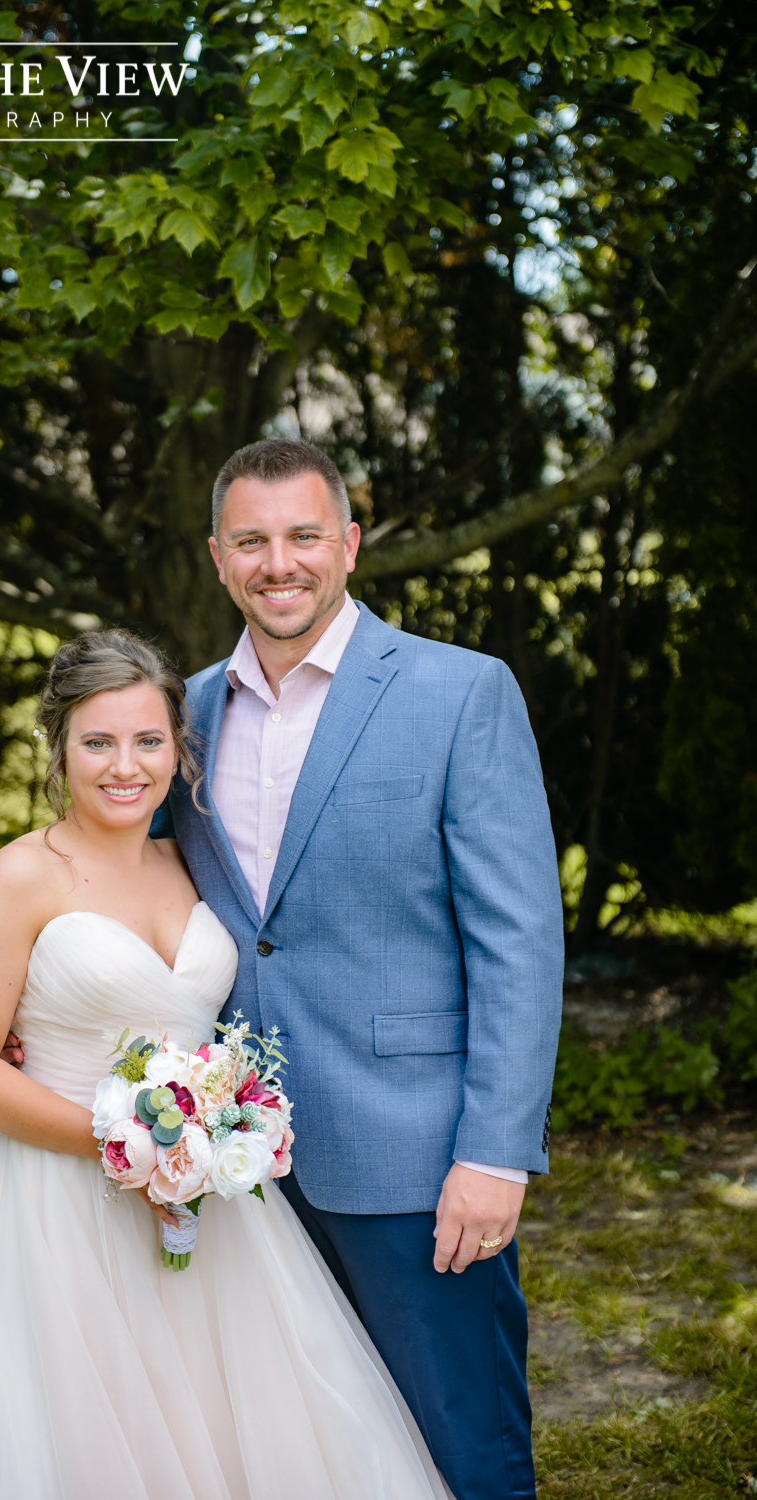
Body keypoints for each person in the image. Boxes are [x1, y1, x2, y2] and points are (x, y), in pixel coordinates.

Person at [0, 629, 452, 1500]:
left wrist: (208, 1137)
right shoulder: (19, 877)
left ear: (177, 749)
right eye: (97, 742)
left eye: (148, 740)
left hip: (210, 1201)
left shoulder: (194, 862)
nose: (124, 766)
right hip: (60, 1204)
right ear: (58, 748)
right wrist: (128, 1147)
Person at [148, 438, 564, 1500]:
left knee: (462, 1443)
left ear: (348, 543)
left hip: (412, 1152)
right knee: (298, 1453)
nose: (277, 562)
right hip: (239, 1163)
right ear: (217, 557)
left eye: (302, 535)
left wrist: (495, 1151)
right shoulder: (181, 717)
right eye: (250, 540)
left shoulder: (458, 692)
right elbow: (129, 889)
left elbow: (518, 938)